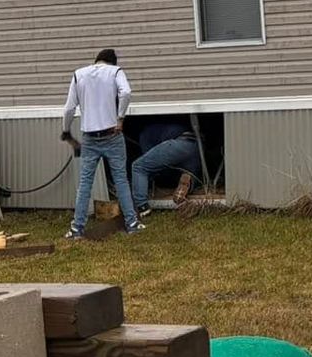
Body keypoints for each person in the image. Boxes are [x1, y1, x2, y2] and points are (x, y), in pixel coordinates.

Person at [60, 48, 141, 240]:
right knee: (121, 179)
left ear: (96, 61)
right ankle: (132, 223)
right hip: (112, 134)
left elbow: (69, 108)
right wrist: (120, 117)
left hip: (89, 137)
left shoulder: (79, 74)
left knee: (85, 183)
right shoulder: (115, 72)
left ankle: (76, 229)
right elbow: (126, 92)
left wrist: (66, 130)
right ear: (112, 62)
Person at [130, 117, 204, 213]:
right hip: (197, 145)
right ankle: (190, 181)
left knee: (139, 167)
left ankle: (141, 207)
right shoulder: (165, 125)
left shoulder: (145, 134)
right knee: (189, 173)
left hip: (179, 145)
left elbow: (149, 165)